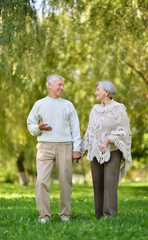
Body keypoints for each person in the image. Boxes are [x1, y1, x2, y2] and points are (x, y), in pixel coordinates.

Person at [27, 74, 81, 223]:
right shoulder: (39, 104)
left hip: (65, 145)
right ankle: (44, 215)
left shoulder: (68, 105)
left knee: (65, 181)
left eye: (63, 85)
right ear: (49, 85)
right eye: (59, 85)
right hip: (44, 146)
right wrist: (38, 127)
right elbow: (30, 124)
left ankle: (65, 214)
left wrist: (77, 149)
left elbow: (75, 128)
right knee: (41, 181)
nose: (62, 88)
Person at [81, 80, 132, 219]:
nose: (95, 92)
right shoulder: (95, 109)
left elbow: (125, 131)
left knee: (110, 185)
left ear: (106, 92)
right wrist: (81, 150)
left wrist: (110, 139)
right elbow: (90, 131)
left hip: (113, 151)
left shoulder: (118, 108)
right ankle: (99, 216)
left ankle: (109, 216)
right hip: (96, 152)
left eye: (98, 89)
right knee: (97, 184)